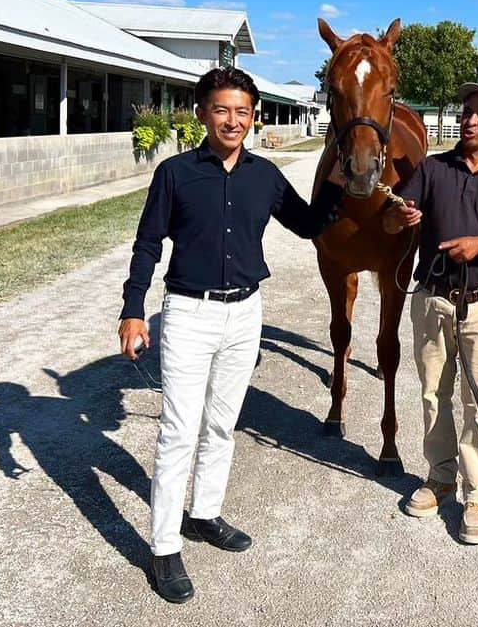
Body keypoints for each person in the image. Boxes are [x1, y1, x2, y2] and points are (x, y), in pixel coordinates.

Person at [118, 66, 344, 604]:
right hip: (189, 315)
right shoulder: (174, 174)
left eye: (243, 111)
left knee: (222, 426)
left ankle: (204, 514)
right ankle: (164, 546)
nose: (233, 120)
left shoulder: (265, 176)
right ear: (202, 113)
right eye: (222, 110)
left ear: (255, 117)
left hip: (246, 317)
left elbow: (309, 225)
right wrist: (132, 310)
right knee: (178, 430)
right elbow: (148, 244)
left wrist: (339, 186)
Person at [383, 81, 478, 545]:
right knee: (433, 393)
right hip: (431, 299)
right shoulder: (432, 169)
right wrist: (402, 218)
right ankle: (440, 477)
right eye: (466, 111)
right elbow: (391, 219)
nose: (470, 120)